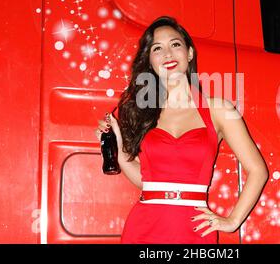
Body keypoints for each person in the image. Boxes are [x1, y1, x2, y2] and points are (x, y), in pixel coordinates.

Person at [95, 16, 269, 243]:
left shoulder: (218, 109)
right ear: (150, 61)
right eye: (157, 48)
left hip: (195, 230)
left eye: (175, 44)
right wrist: (117, 146)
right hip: (144, 227)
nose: (167, 53)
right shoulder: (143, 114)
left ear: (189, 53)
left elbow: (258, 170)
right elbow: (146, 181)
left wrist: (232, 221)